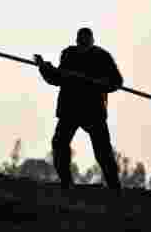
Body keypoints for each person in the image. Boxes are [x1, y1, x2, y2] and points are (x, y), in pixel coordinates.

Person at [35, 27, 123, 192]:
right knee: (59, 144)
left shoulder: (102, 57)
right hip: (70, 110)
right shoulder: (69, 55)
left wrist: (103, 82)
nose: (83, 46)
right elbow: (57, 78)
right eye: (80, 43)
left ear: (91, 42)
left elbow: (117, 81)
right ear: (77, 42)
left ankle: (114, 187)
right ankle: (66, 183)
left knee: (103, 151)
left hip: (93, 111)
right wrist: (43, 66)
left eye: (86, 43)